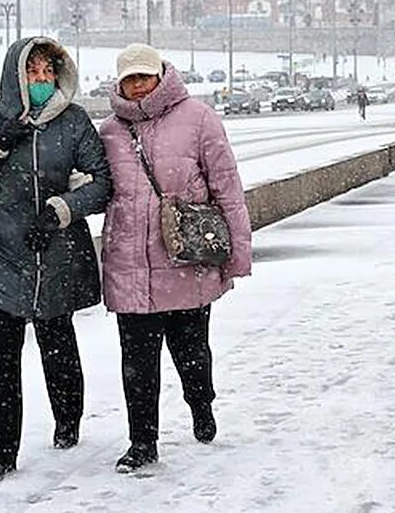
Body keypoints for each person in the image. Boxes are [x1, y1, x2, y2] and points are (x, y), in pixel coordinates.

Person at [0, 37, 111, 483]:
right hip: (4, 253)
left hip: (57, 252)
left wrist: (60, 210)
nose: (41, 80)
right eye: (32, 72)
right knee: (1, 357)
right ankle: (0, 451)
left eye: (47, 73)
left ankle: (68, 419)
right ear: (15, 76)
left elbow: (101, 184)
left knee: (58, 343)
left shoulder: (75, 122)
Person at [98, 43, 253, 473]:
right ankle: (142, 443)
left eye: (144, 77)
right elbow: (95, 189)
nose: (138, 86)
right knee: (137, 366)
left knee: (192, 355)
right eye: (129, 79)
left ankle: (201, 405)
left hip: (187, 265)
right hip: (130, 268)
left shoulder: (199, 119)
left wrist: (238, 254)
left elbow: (228, 189)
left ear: (161, 75)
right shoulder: (109, 131)